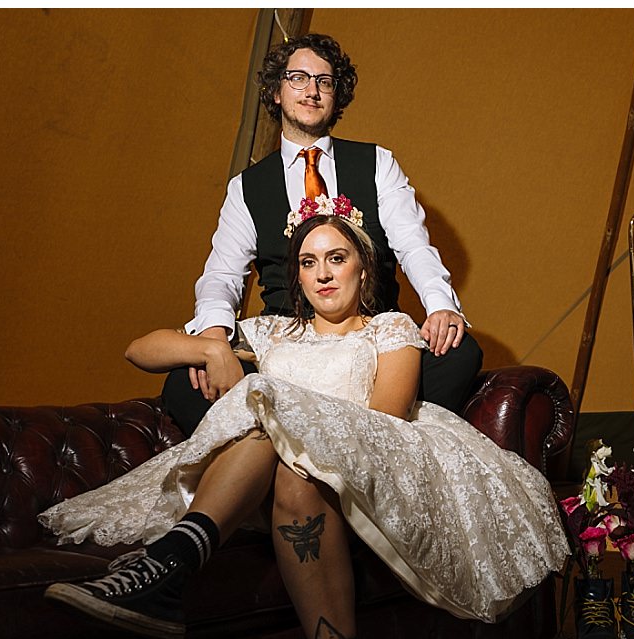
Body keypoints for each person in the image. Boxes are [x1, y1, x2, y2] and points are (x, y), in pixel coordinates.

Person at [41, 200, 569, 639]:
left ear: (362, 270)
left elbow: (384, 420)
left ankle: (183, 582)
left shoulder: (390, 329)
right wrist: (214, 347)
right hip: (265, 473)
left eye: (336, 259)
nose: (322, 273)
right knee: (269, 428)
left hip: (369, 461)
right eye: (309, 262)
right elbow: (139, 349)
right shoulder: (271, 333)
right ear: (295, 275)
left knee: (278, 430)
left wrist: (290, 418)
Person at [164, 32, 482, 436]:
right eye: (298, 78)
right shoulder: (246, 187)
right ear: (277, 92)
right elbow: (222, 277)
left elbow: (414, 246)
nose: (311, 91)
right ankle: (281, 453)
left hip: (372, 339)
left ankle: (365, 443)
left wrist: (440, 306)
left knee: (460, 353)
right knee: (183, 384)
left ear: (337, 95)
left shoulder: (377, 163)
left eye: (325, 81)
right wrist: (212, 337)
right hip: (286, 347)